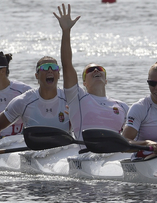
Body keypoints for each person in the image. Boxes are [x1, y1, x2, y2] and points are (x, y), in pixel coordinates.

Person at [54, 4, 129, 141]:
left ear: (106, 80)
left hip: (115, 156)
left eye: (100, 69)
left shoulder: (123, 106)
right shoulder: (77, 98)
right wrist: (66, 32)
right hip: (86, 155)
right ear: (84, 82)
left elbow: (133, 135)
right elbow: (67, 64)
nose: (96, 70)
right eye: (90, 70)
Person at [0, 56, 70, 158]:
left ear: (58, 75)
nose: (50, 70)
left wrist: (76, 120)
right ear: (37, 75)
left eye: (54, 67)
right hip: (35, 152)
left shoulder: (70, 100)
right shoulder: (24, 101)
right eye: (44, 67)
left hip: (64, 152)